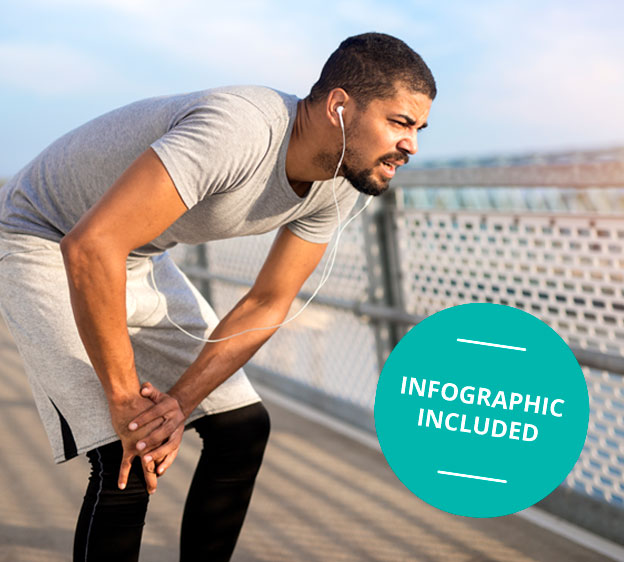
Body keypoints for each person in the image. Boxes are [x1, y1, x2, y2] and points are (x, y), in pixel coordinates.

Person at [0, 32, 436, 561]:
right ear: (340, 106)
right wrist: (124, 402)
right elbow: (91, 247)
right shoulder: (239, 130)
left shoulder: (343, 179)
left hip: (133, 252)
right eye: (400, 123)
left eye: (419, 128)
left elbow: (267, 301)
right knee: (127, 449)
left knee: (240, 429)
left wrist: (179, 403)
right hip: (41, 236)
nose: (412, 144)